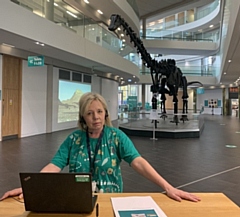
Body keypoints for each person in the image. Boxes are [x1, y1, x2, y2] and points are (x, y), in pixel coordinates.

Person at [0, 92, 200, 202]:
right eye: (89, 113)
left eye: (99, 111)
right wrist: (31, 186)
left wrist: (168, 187)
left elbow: (138, 162)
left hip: (110, 202)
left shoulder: (116, 137)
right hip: (78, 202)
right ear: (82, 117)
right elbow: (55, 165)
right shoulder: (74, 139)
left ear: (105, 113)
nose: (96, 117)